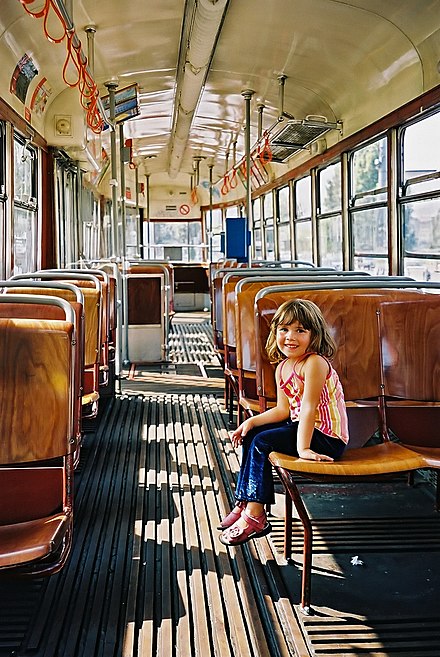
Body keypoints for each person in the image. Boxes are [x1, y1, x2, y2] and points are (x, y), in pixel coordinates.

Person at [219, 298, 349, 547]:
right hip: (304, 430)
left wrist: (304, 450)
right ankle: (245, 501)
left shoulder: (315, 363)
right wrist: (253, 421)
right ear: (275, 332)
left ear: (315, 335)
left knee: (263, 442)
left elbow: (309, 407)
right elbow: (283, 410)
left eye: (300, 330)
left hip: (327, 438)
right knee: (253, 435)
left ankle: (256, 515)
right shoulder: (282, 367)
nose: (290, 336)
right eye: (284, 329)